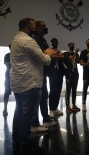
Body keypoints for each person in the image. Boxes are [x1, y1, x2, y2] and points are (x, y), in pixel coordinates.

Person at [10, 18, 55, 153]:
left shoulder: (16, 39)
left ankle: (17, 139)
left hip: (19, 82)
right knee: (28, 114)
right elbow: (45, 60)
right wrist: (49, 54)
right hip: (30, 83)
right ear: (26, 28)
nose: (36, 30)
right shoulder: (28, 40)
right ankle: (26, 142)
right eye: (34, 28)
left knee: (19, 112)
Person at [31, 20, 58, 132]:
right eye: (43, 27)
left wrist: (52, 53)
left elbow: (49, 52)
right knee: (37, 99)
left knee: (43, 98)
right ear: (37, 28)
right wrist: (51, 54)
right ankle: (34, 124)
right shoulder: (36, 39)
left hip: (43, 73)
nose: (46, 28)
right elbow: (44, 54)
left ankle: (46, 120)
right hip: (38, 73)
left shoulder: (42, 39)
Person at [48, 38, 65, 117]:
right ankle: (51, 109)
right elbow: (51, 58)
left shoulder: (60, 52)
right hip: (52, 74)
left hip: (59, 74)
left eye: (55, 42)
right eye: (53, 42)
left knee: (58, 92)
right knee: (52, 92)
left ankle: (55, 108)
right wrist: (56, 56)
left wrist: (58, 56)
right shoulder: (50, 52)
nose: (54, 43)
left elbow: (63, 58)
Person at [64, 42, 81, 113]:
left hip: (75, 73)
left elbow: (78, 62)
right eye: (71, 45)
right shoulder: (66, 54)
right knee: (68, 90)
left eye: (73, 45)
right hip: (69, 74)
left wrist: (77, 55)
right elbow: (69, 59)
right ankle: (68, 106)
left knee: (74, 89)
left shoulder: (76, 54)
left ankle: (74, 104)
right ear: (68, 46)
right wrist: (75, 53)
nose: (72, 46)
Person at [3, 44, 11, 115]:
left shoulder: (17, 55)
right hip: (8, 76)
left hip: (17, 75)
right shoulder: (7, 55)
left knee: (18, 93)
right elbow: (7, 64)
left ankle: (18, 107)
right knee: (6, 93)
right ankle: (5, 108)